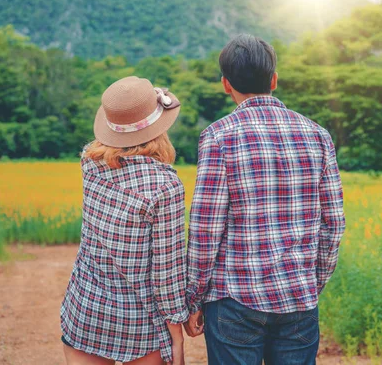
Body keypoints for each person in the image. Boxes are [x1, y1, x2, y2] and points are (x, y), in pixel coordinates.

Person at [185, 34, 346, 365]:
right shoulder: (318, 135)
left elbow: (205, 229)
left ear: (225, 85)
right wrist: (311, 282)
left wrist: (194, 298)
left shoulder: (218, 136)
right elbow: (334, 223)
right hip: (299, 299)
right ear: (274, 79)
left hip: (234, 301)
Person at [60, 76, 188, 365]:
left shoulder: (89, 163)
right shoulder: (165, 187)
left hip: (85, 309)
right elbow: (167, 272)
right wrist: (176, 329)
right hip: (139, 324)